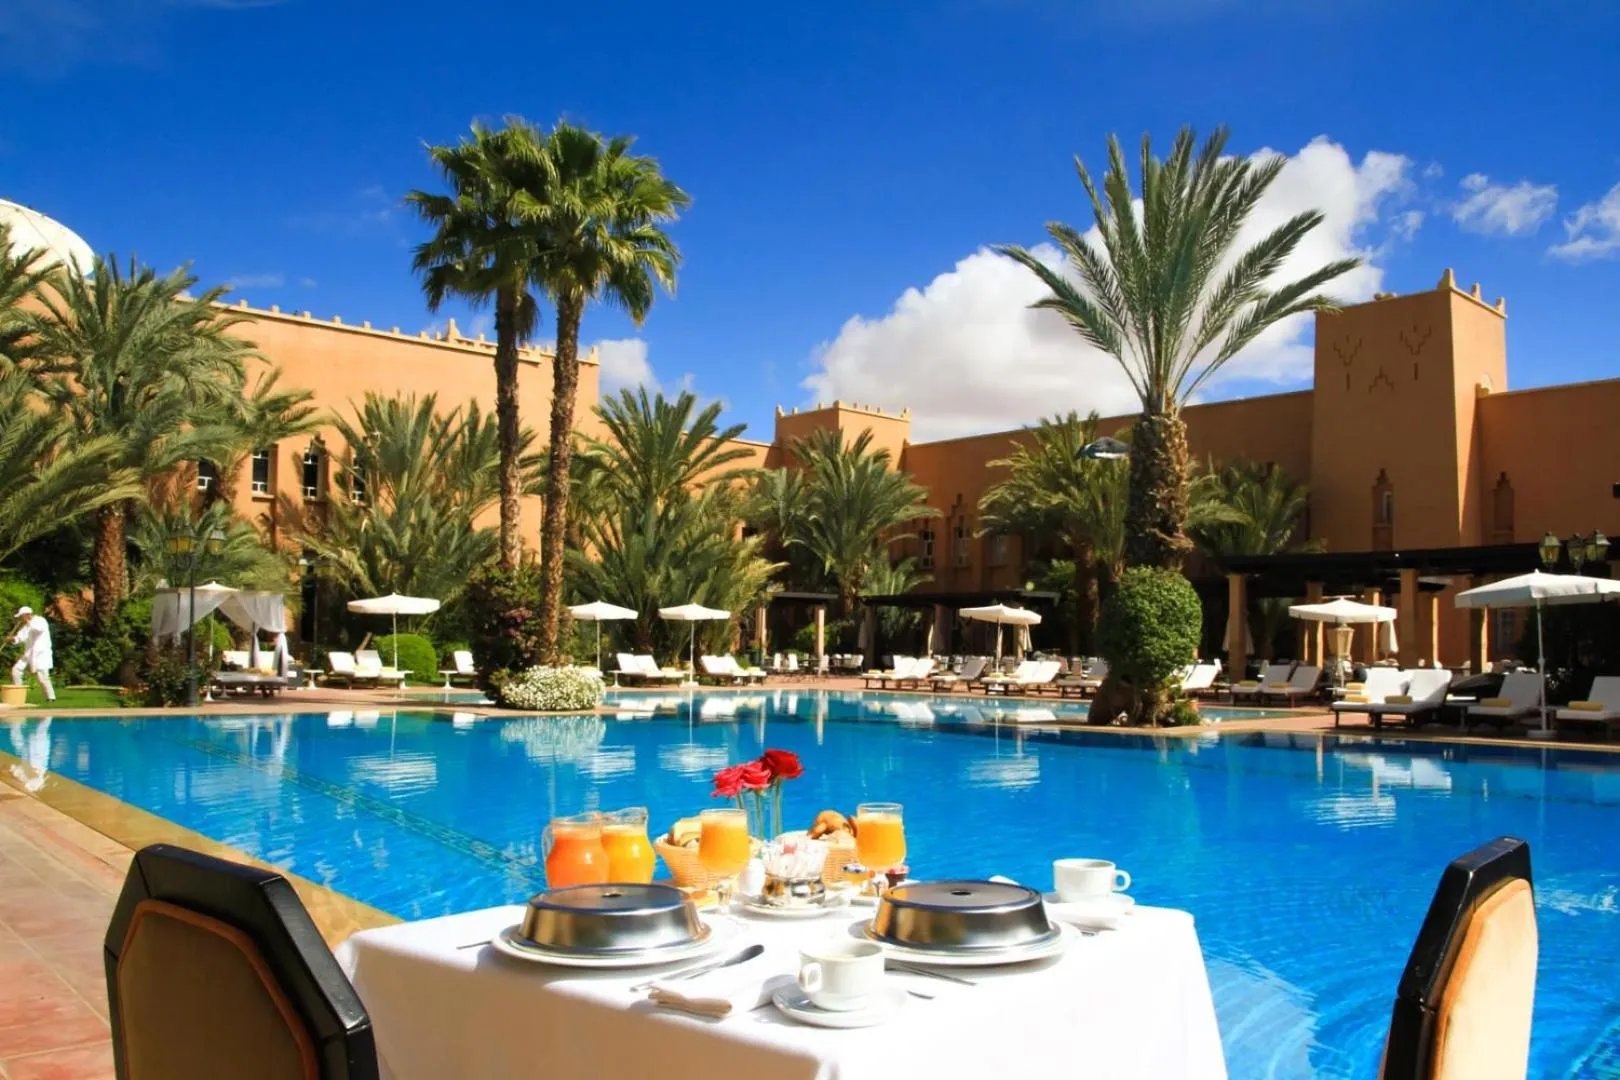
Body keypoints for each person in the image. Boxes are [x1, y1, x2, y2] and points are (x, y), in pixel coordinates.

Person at [10, 606, 55, 703]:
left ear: (27, 615)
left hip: (41, 653)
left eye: (21, 616)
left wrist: (28, 621)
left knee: (42, 676)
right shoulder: (25, 627)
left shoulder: (40, 620)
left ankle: (50, 698)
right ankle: (18, 695)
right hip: (29, 652)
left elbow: (39, 629)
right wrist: (13, 639)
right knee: (16, 670)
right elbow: (20, 637)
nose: (21, 619)